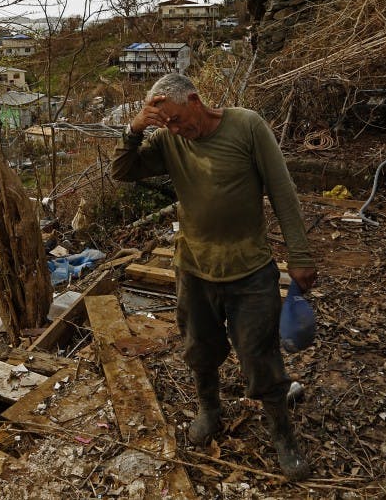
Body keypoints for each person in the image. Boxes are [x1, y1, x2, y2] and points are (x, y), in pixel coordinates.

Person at [110, 73, 317, 481]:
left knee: (260, 355)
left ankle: (282, 434)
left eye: (175, 118)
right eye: (164, 122)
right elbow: (122, 170)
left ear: (194, 99)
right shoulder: (169, 140)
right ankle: (210, 409)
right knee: (199, 347)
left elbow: (282, 190)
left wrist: (300, 253)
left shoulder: (247, 126)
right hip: (195, 269)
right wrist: (135, 128)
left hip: (250, 268)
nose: (173, 128)